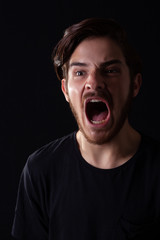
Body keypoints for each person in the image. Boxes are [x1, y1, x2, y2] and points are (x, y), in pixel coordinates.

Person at [12, 18, 160, 239]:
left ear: (135, 85)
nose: (94, 82)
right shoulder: (40, 172)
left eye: (110, 70)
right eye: (80, 73)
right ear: (65, 89)